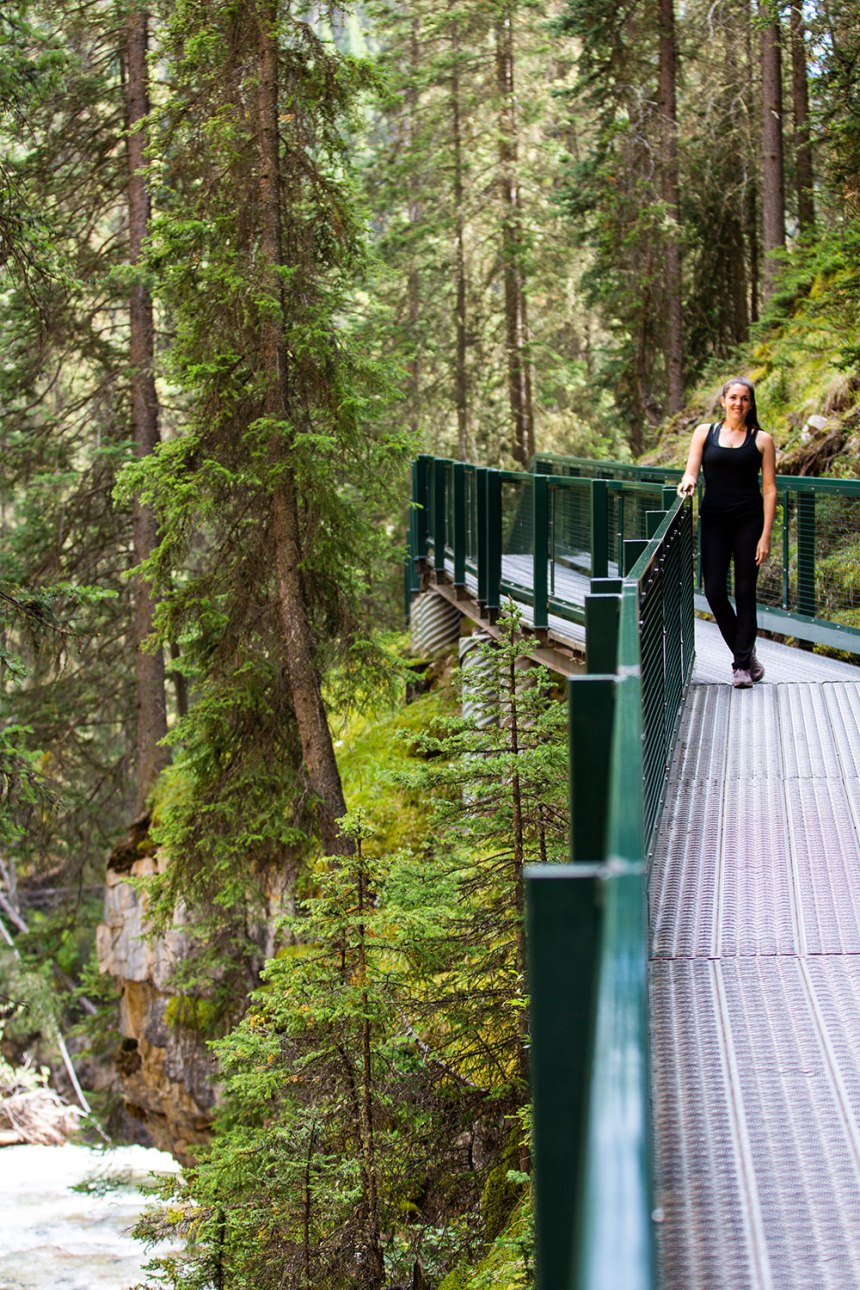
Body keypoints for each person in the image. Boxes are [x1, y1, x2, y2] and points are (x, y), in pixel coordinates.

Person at [677, 377, 777, 688]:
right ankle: (746, 653)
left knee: (745, 592)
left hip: (749, 523)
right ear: (723, 401)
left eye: (744, 398)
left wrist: (766, 535)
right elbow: (692, 470)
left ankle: (741, 667)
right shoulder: (704, 433)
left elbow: (770, 489)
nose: (738, 403)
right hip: (714, 522)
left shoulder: (762, 440)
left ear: (751, 403)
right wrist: (688, 481)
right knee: (714, 591)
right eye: (733, 397)